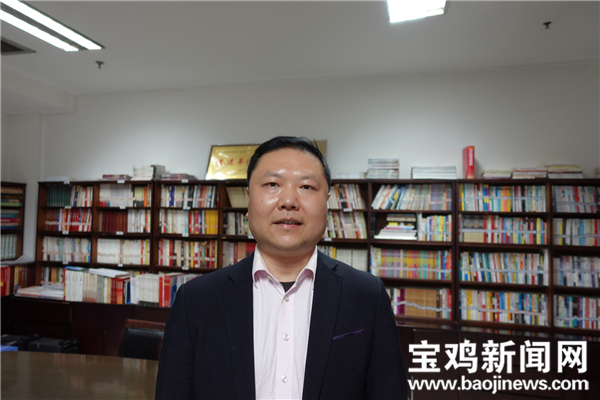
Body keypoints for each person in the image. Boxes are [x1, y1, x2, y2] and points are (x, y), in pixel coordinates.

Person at [155, 136, 407, 400]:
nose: (288, 201)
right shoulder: (195, 301)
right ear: (249, 199)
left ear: (327, 203)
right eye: (272, 184)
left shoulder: (367, 297)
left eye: (307, 187)